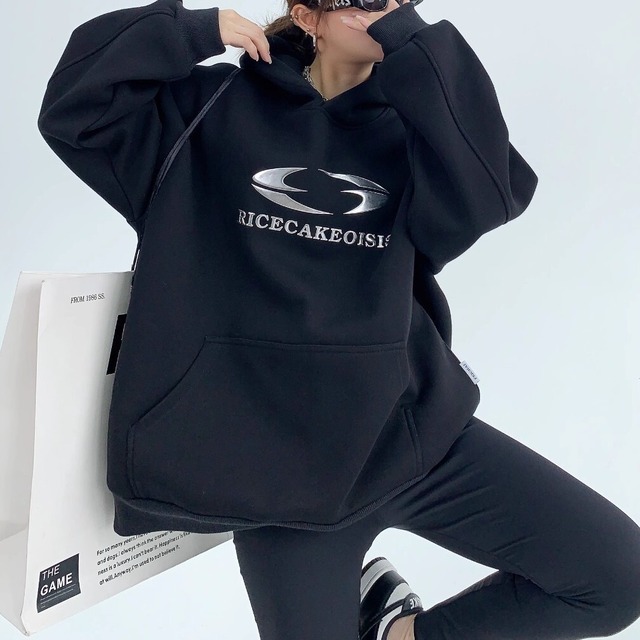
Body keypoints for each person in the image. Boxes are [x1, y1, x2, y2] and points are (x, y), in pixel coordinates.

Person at [36, 0, 640, 638]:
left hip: (406, 436)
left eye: (401, 2)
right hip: (273, 477)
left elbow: (491, 193)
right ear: (308, 17)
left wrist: (413, 45)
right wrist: (189, 30)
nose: (388, 13)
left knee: (616, 577)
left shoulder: (417, 133)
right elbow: (75, 107)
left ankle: (394, 632)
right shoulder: (206, 112)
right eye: (366, 2)